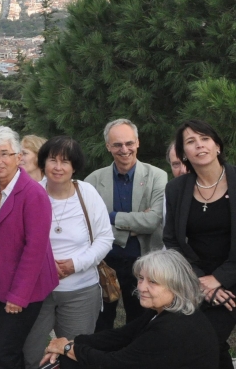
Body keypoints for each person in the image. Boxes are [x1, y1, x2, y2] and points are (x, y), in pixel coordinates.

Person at [22, 136, 114, 369]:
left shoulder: (87, 193)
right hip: (38, 291)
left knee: (74, 355)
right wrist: (45, 267)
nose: (58, 167)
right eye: (52, 160)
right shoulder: (31, 193)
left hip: (80, 291)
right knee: (30, 354)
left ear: (74, 166)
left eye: (65, 161)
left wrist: (75, 264)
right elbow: (20, 241)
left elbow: (105, 238)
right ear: (43, 162)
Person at [40, 249, 218, 368]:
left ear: (176, 286)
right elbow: (120, 336)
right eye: (141, 278)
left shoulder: (171, 329)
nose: (141, 287)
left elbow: (116, 363)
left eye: (153, 282)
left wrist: (66, 349)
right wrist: (72, 343)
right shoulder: (166, 310)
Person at [0, 126, 59, 368]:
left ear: (18, 157)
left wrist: (19, 296)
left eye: (4, 153)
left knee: (3, 354)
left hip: (23, 292)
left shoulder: (33, 193)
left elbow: (35, 249)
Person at [163, 119, 236, 369]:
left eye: (205, 139)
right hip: (194, 280)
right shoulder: (176, 189)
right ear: (183, 154)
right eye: (191, 142)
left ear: (217, 146)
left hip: (231, 279)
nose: (199, 146)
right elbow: (172, 241)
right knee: (202, 342)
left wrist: (220, 279)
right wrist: (200, 281)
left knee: (205, 341)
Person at [84, 119, 167, 332]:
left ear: (138, 143)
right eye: (118, 145)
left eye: (129, 143)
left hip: (143, 262)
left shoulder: (157, 176)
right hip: (104, 264)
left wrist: (109, 217)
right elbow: (88, 226)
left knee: (140, 323)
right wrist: (136, 221)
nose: (124, 149)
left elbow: (153, 221)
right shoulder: (92, 181)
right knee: (101, 323)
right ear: (108, 146)